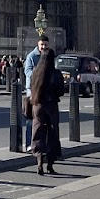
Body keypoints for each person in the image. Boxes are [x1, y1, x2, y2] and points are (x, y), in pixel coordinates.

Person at [29, 47, 65, 175]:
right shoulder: (56, 74)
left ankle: (39, 159)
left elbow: (31, 87)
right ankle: (50, 164)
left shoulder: (35, 72)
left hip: (37, 105)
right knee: (52, 134)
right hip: (51, 105)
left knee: (38, 132)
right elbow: (61, 91)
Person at [22, 34, 49, 152]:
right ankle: (29, 143)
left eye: (45, 45)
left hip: (44, 90)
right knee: (31, 118)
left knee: (43, 118)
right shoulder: (31, 56)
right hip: (33, 90)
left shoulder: (48, 56)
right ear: (38, 44)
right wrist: (38, 75)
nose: (44, 47)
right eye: (42, 44)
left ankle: (42, 142)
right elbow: (27, 71)